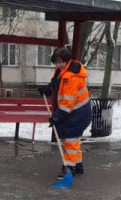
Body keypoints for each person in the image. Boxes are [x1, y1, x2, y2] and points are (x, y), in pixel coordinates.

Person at [39, 47, 91, 178]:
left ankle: (69, 168)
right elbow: (57, 87)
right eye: (56, 62)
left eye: (61, 61)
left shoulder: (71, 77)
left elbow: (67, 102)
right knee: (73, 141)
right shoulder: (61, 72)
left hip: (78, 113)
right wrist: (48, 89)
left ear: (67, 60)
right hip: (74, 113)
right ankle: (78, 166)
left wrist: (57, 117)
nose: (58, 65)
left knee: (70, 141)